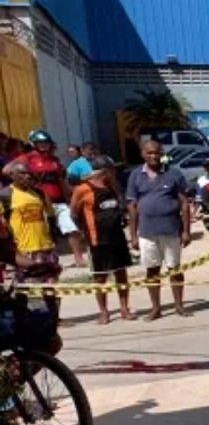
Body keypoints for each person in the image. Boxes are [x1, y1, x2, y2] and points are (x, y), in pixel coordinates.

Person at [126, 140, 192, 320]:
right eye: (149, 153)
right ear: (142, 154)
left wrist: (186, 230)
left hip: (171, 230)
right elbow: (132, 206)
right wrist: (133, 235)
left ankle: (179, 305)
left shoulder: (174, 174)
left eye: (156, 153)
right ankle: (156, 308)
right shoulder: (135, 176)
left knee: (174, 269)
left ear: (161, 153)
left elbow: (185, 203)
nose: (153, 156)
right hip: (147, 232)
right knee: (152, 270)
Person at [6, 130, 87, 268]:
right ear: (34, 144)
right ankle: (37, 262)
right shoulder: (27, 158)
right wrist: (24, 181)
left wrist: (70, 197)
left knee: (72, 228)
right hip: (38, 201)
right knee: (43, 232)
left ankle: (78, 258)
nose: (44, 145)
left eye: (46, 142)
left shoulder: (54, 160)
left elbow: (61, 180)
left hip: (58, 200)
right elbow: (7, 170)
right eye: (40, 143)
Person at [70, 155, 134, 324]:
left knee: (121, 273)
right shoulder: (82, 189)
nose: (115, 173)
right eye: (113, 170)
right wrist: (83, 231)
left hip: (117, 237)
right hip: (97, 239)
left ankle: (124, 308)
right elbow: (74, 213)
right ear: (105, 171)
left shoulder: (112, 185)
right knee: (100, 277)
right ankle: (103, 311)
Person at [4, 161, 62, 318]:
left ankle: (53, 317)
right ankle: (21, 316)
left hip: (45, 247)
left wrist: (52, 238)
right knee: (24, 287)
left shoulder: (39, 193)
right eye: (22, 174)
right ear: (12, 176)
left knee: (50, 284)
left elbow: (51, 216)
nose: (27, 176)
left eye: (29, 173)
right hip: (22, 250)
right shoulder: (5, 195)